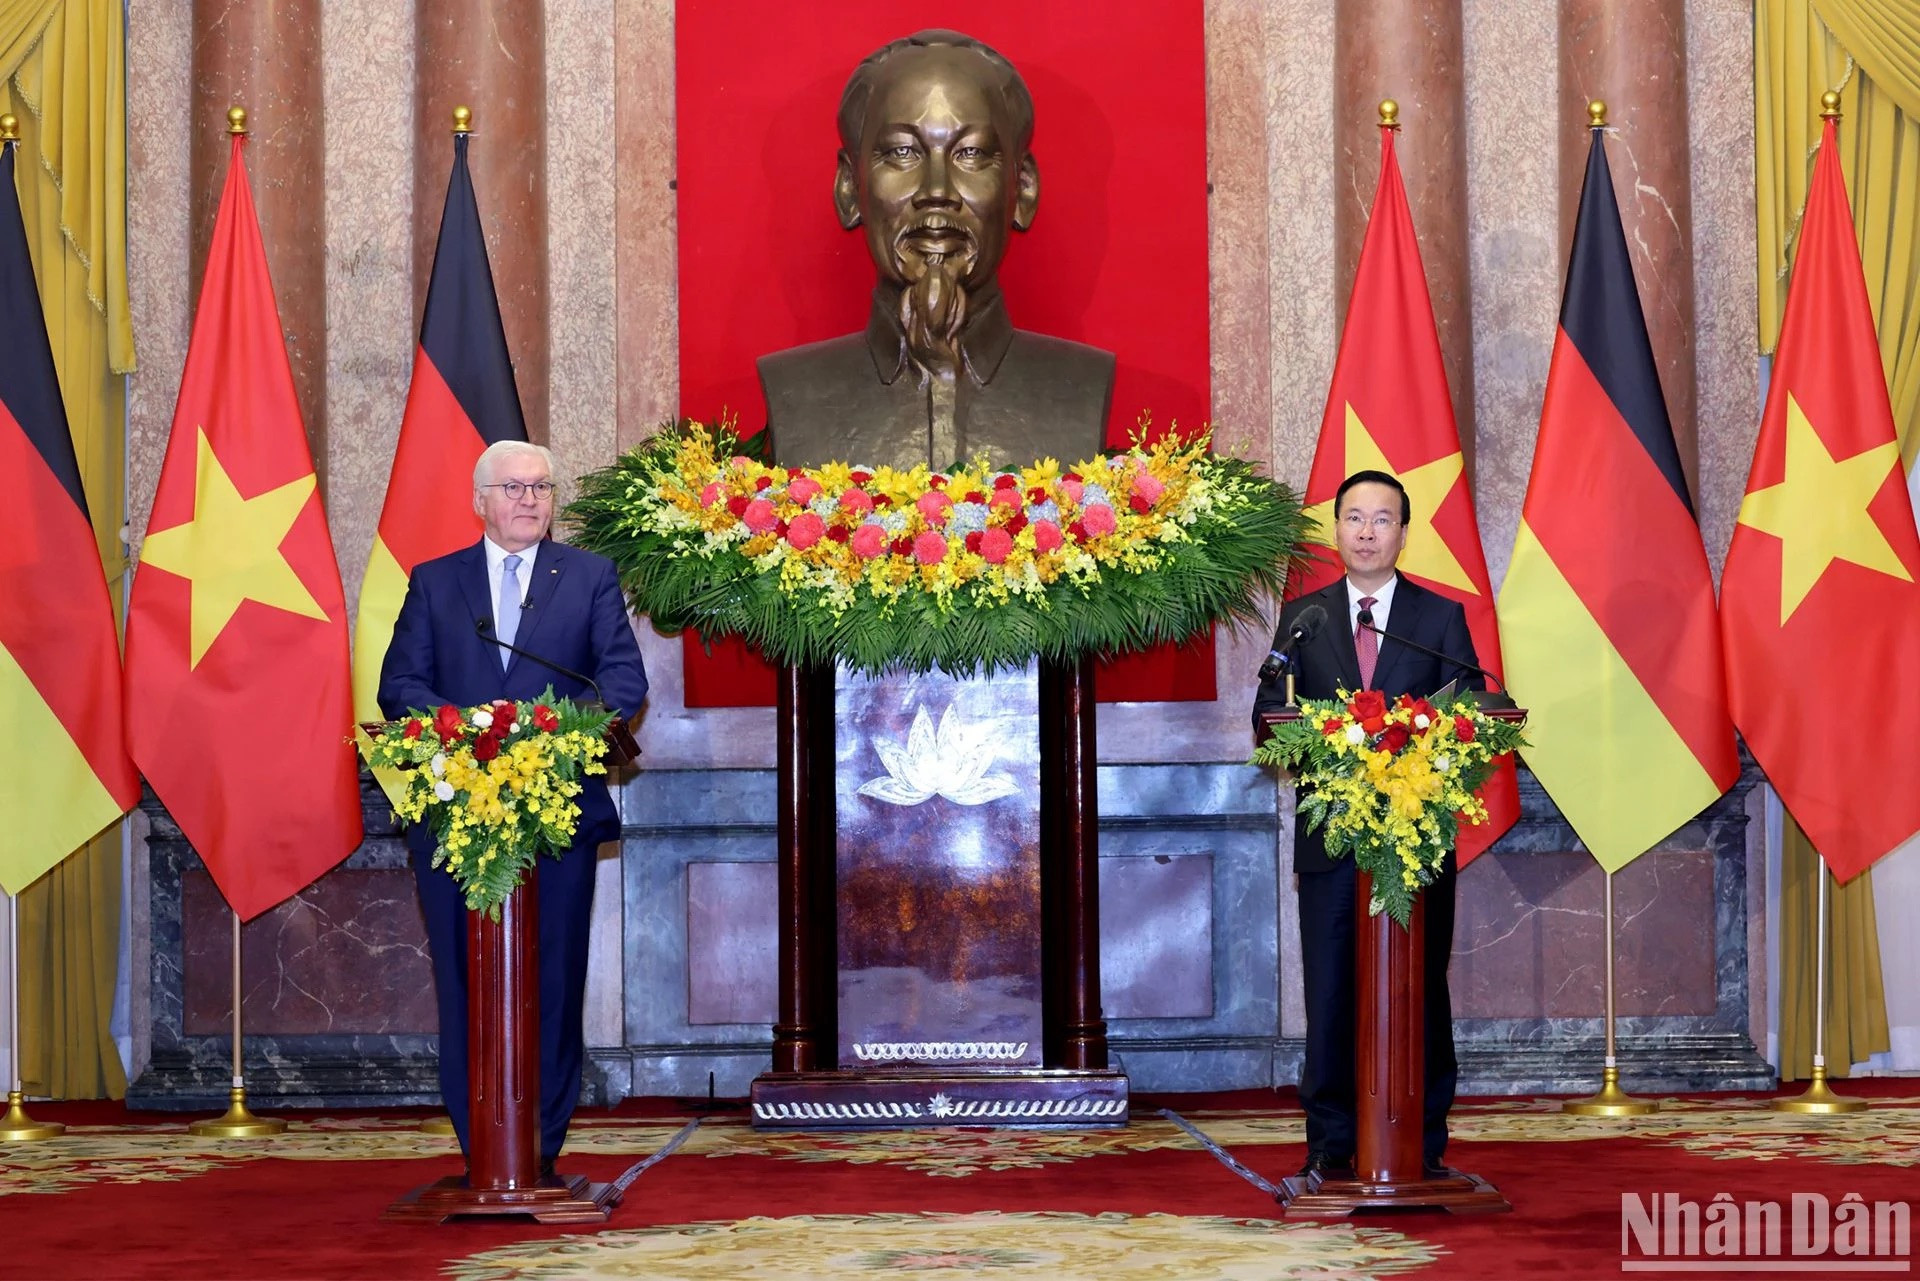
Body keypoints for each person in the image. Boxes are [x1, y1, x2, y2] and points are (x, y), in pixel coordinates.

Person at [378, 439, 648, 1178]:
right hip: (456, 816)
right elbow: (400, 685)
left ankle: (539, 1151)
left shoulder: (588, 576)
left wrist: (549, 733)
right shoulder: (436, 582)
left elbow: (622, 680)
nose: (530, 499)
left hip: (555, 815)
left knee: (552, 983)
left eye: (541, 487)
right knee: (463, 981)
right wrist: (472, 732)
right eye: (513, 487)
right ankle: (483, 1153)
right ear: (480, 500)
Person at [1252, 469, 1482, 1180]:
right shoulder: (1305, 617)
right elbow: (1268, 716)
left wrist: (1413, 741)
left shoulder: (1440, 618)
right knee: (1331, 991)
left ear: (1403, 534)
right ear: (1337, 529)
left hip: (1415, 838)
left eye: (1383, 519)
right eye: (1354, 517)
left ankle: (1423, 1141)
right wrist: (1331, 742)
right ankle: (1331, 1143)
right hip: (1332, 842)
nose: (1367, 531)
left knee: (1420, 993)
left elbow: (1472, 711)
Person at [758, 28, 1114, 470]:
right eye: (902, 152)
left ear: (1022, 189)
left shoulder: (1082, 386)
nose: (937, 191)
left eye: (971, 153)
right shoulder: (794, 391)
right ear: (849, 188)